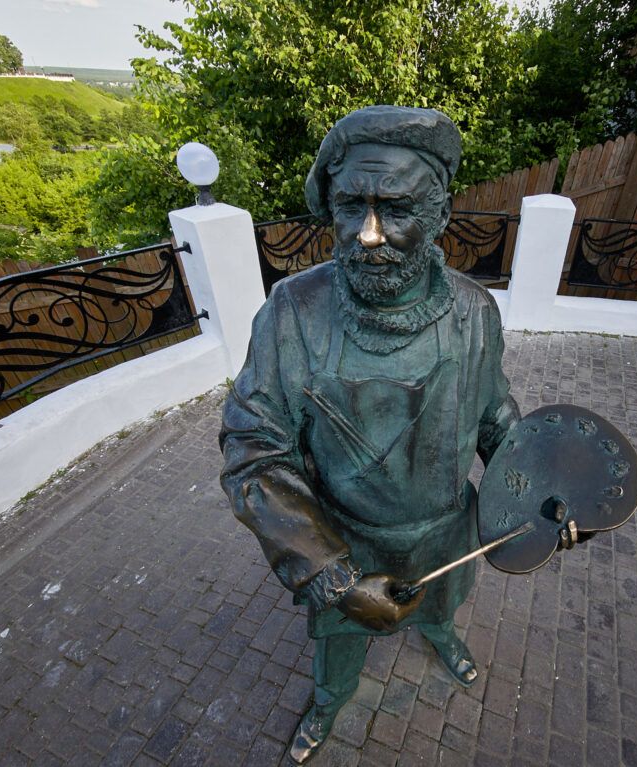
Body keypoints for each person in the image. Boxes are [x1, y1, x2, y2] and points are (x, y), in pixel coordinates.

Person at [219, 105, 519, 763]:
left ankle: (441, 635)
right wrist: (332, 575)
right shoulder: (294, 311)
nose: (369, 234)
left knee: (441, 604)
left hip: (444, 535)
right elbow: (253, 450)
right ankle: (329, 702)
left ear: (439, 216)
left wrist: (545, 491)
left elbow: (496, 416)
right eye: (352, 207)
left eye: (397, 209)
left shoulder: (474, 311)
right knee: (338, 647)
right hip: (345, 543)